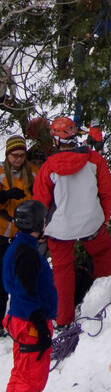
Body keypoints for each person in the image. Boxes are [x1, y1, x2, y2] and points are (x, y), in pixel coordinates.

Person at [33, 116, 111, 328]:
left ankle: (63, 319)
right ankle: (108, 301)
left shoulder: (48, 167)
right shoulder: (94, 160)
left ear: (55, 139)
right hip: (91, 222)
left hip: (60, 228)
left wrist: (40, 227)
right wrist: (104, 218)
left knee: (62, 270)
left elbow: (40, 201)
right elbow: (106, 191)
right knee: (103, 255)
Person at [0, 199, 57, 392]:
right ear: (36, 223)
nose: (46, 223)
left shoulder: (21, 246)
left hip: (22, 319)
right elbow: (25, 290)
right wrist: (40, 324)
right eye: (43, 219)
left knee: (21, 375)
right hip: (29, 322)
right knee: (29, 380)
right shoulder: (26, 252)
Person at [0, 137, 39, 329]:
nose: (18, 159)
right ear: (7, 155)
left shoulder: (32, 172)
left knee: (23, 279)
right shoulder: (0, 172)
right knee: (2, 282)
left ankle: (22, 318)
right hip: (2, 233)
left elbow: (42, 197)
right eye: (14, 155)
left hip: (24, 235)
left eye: (22, 155)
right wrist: (5, 195)